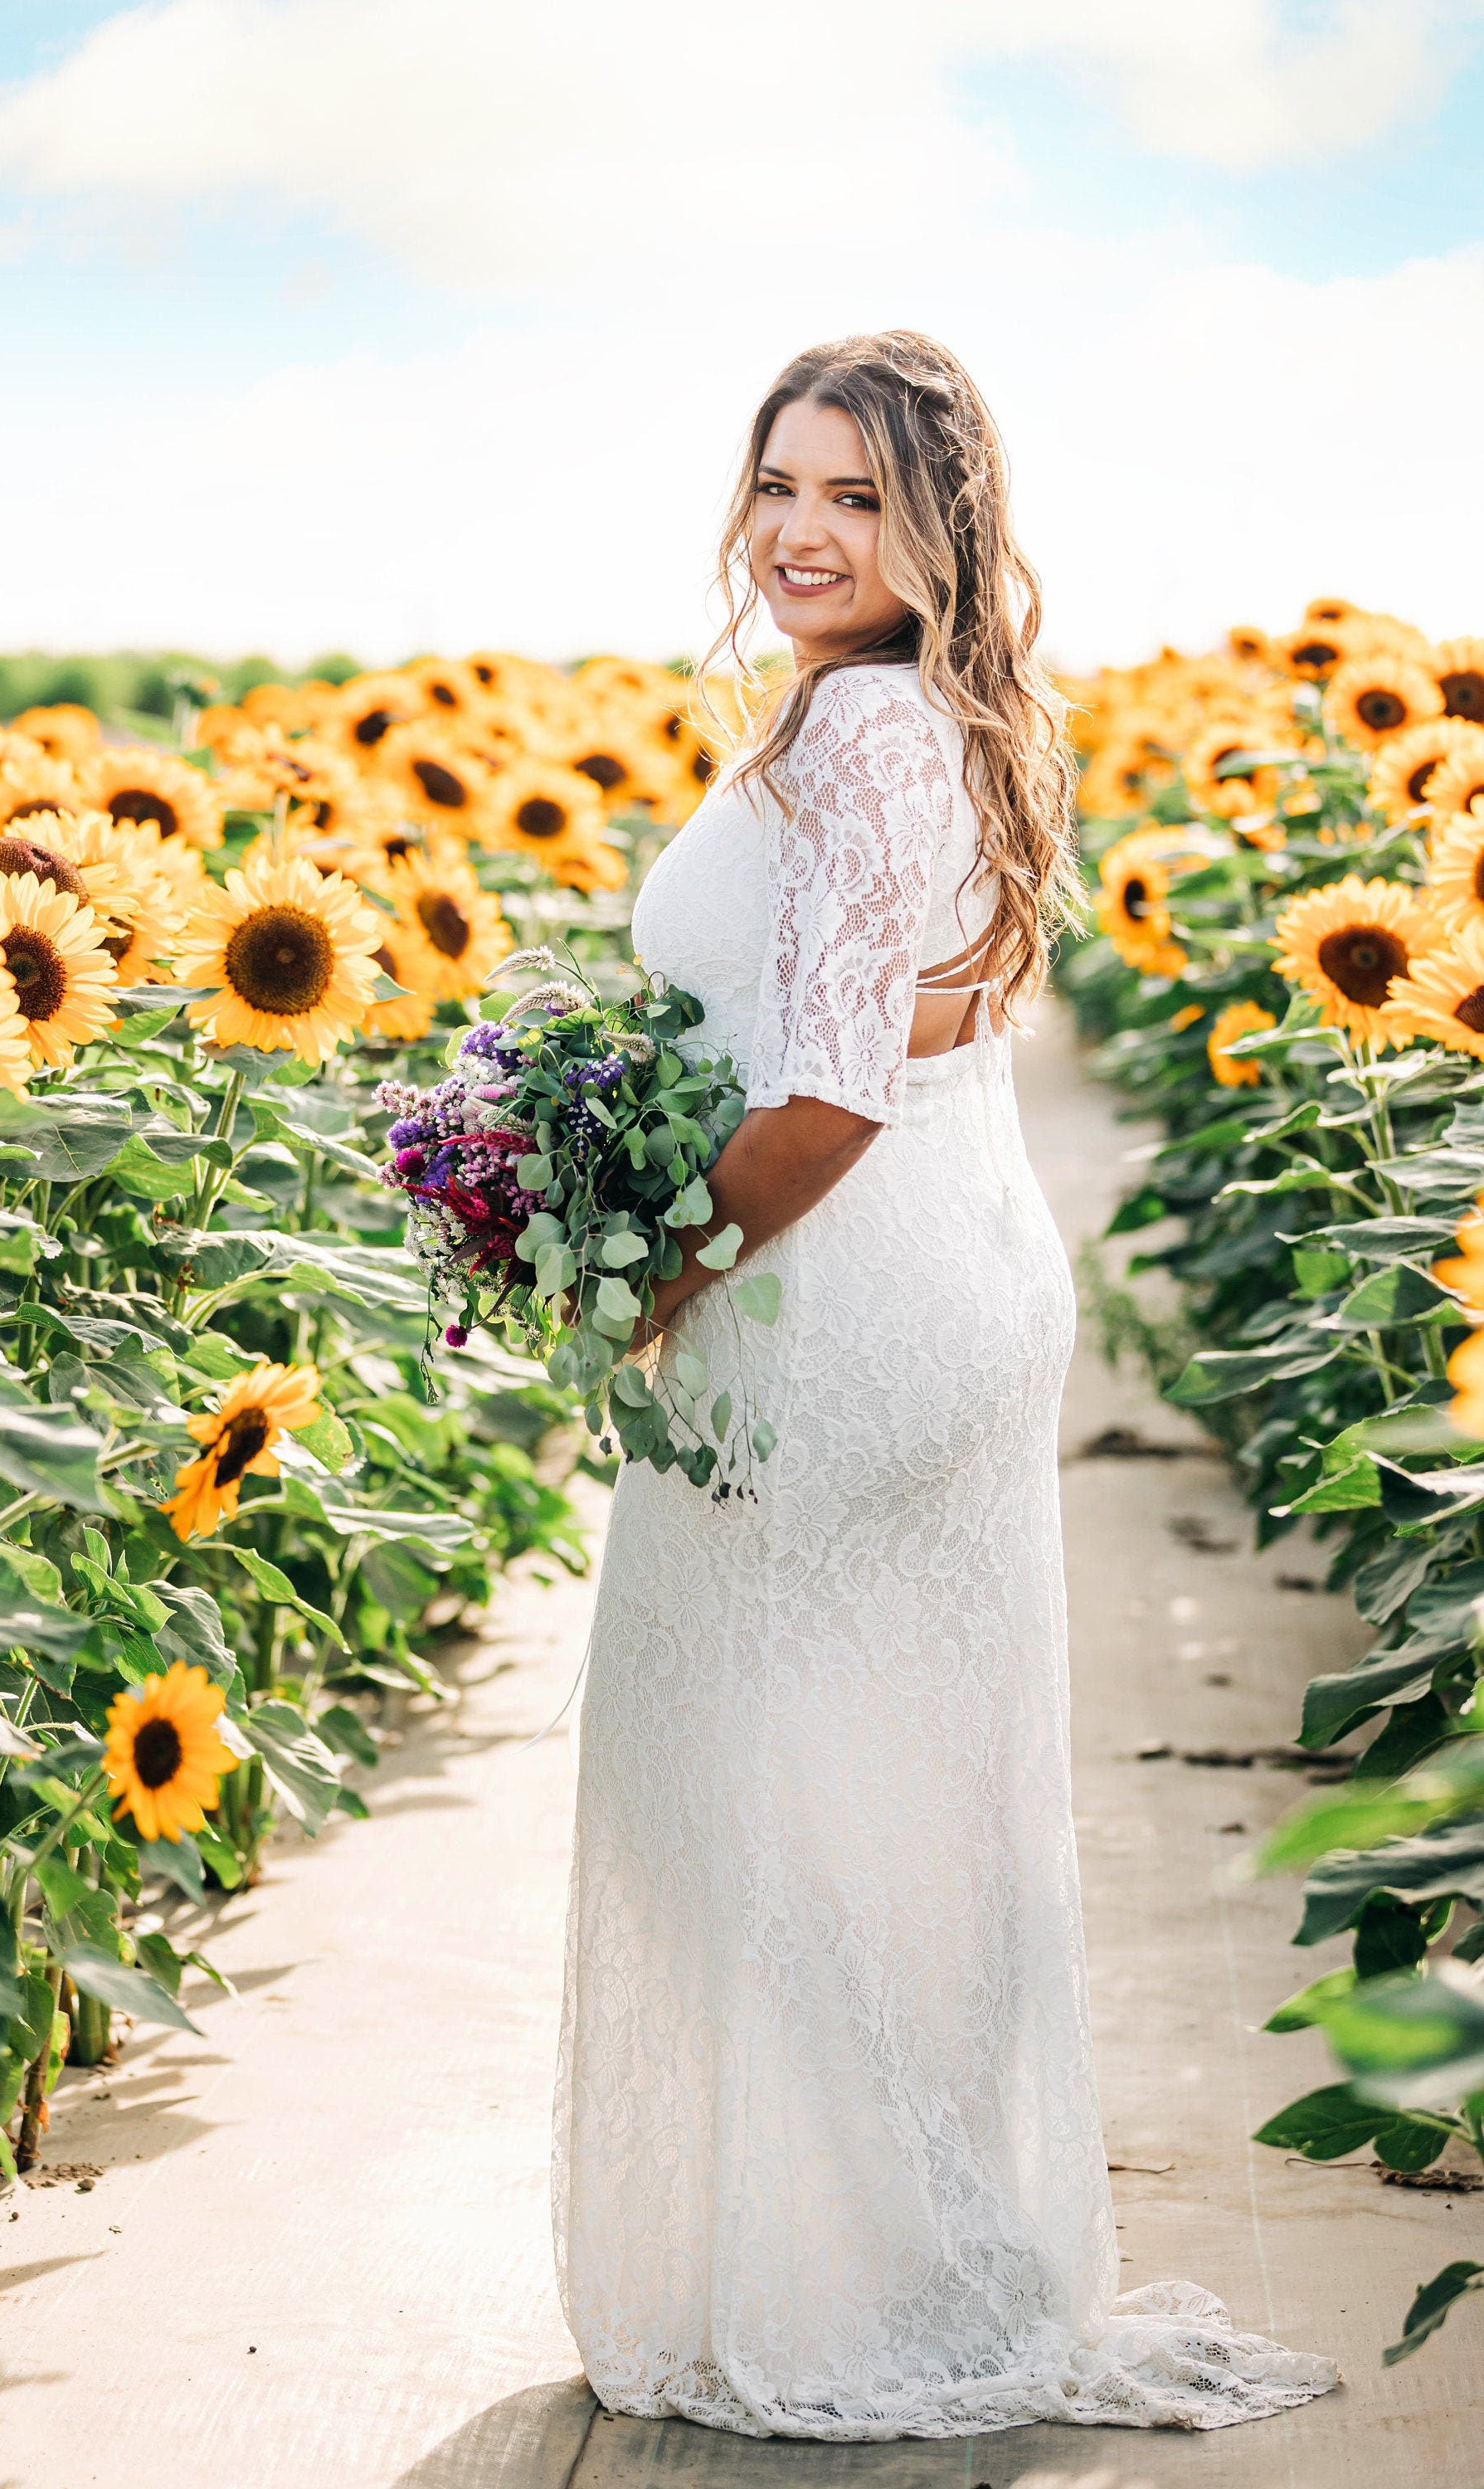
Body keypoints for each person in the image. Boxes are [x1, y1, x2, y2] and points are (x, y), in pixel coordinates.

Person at [551, 329, 1337, 2441]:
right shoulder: (922, 719)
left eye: (857, 498)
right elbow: (914, 1020)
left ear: (939, 526)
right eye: (779, 486)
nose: (804, 532)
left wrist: (653, 1272)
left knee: (749, 1801)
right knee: (869, 1800)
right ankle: (903, 2241)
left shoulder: (877, 732)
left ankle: (866, 2272)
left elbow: (828, 1095)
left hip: (843, 1308)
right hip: (926, 1295)